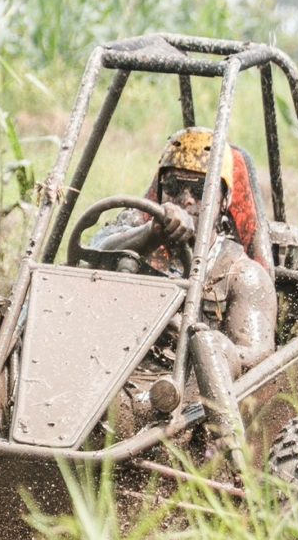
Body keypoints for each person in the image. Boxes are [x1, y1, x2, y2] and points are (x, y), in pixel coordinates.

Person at [92, 127, 277, 379]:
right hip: (113, 374)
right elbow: (90, 256)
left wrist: (201, 341)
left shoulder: (242, 276)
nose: (186, 200)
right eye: (174, 186)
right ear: (160, 192)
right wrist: (150, 234)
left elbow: (254, 357)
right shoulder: (136, 237)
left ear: (224, 200)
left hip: (191, 394)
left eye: (200, 190)